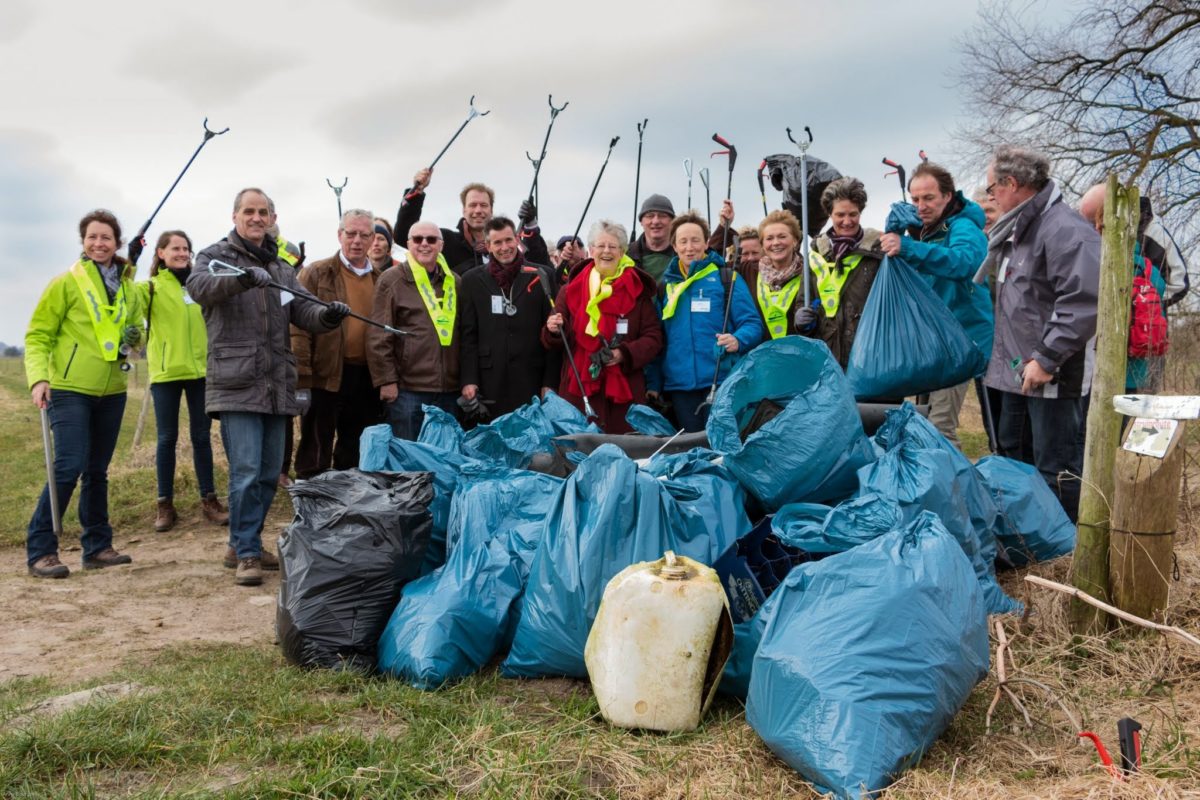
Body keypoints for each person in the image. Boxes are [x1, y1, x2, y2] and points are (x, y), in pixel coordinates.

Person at [189, 188, 349, 586]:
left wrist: (328, 315)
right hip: (236, 380)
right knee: (244, 471)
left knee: (266, 475)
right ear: (235, 215)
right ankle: (246, 551)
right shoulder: (214, 257)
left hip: (278, 383)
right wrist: (241, 281)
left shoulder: (280, 268)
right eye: (249, 211)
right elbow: (199, 288)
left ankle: (242, 542)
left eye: (263, 212)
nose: (257, 218)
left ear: (272, 218)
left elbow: (302, 307)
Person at [981, 145, 1099, 522]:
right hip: (1016, 371)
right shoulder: (1019, 230)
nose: (990, 197)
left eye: (991, 189)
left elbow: (1083, 299)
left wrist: (1047, 358)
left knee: (1056, 467)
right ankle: (1029, 539)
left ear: (1011, 184)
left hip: (1051, 374)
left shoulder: (1063, 228)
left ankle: (1061, 550)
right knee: (1016, 461)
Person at [24, 209, 144, 578]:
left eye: (106, 237)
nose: (98, 243)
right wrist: (38, 379)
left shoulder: (127, 286)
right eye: (92, 237)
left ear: (117, 243)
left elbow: (135, 326)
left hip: (111, 389)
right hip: (70, 389)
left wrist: (134, 337)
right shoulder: (64, 283)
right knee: (68, 466)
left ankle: (97, 547)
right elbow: (38, 335)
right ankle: (41, 550)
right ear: (83, 241)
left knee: (97, 471)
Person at [880, 163, 992, 448]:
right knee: (925, 423)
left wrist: (908, 247)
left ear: (948, 196)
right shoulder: (925, 232)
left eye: (929, 198)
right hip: (933, 343)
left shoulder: (964, 226)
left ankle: (950, 490)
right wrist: (895, 232)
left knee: (941, 429)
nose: (921, 206)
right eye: (915, 199)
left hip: (962, 341)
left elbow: (966, 261)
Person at [135, 230, 228, 532]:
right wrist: (130, 258)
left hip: (201, 371)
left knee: (202, 438)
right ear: (160, 253)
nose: (182, 253)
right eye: (175, 248)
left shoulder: (199, 284)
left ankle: (209, 500)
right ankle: (164, 504)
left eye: (186, 248)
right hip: (166, 374)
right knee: (166, 439)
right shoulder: (149, 287)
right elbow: (125, 295)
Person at [542, 220, 663, 433]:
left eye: (612, 246)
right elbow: (552, 337)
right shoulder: (570, 289)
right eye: (600, 246)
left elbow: (653, 338)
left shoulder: (638, 291)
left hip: (625, 394)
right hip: (579, 390)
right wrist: (553, 329)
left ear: (623, 251)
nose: (606, 252)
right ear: (590, 250)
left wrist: (624, 353)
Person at [647, 212, 764, 431]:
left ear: (706, 243)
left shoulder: (726, 278)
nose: (689, 247)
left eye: (695, 240)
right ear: (674, 246)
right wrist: (654, 383)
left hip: (722, 382)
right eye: (683, 241)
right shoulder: (665, 287)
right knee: (694, 453)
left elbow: (752, 323)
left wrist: (737, 339)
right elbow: (658, 340)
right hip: (681, 388)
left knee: (724, 447)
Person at [291, 209, 385, 478]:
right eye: (351, 233)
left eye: (364, 235)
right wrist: (303, 377)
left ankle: (347, 501)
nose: (357, 240)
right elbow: (298, 327)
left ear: (372, 239)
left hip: (365, 375)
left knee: (354, 445)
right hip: (325, 372)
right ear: (339, 235)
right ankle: (311, 499)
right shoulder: (317, 273)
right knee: (316, 445)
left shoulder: (380, 279)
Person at [368, 220, 462, 440]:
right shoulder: (391, 279)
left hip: (449, 389)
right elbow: (379, 335)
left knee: (444, 458)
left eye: (431, 239)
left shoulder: (455, 282)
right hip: (408, 390)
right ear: (408, 244)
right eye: (418, 239)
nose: (424, 244)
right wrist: (386, 380)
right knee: (409, 461)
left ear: (441, 245)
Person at [459, 217, 557, 419]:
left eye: (508, 240)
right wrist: (469, 379)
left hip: (532, 378)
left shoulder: (542, 275)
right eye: (497, 242)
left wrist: (550, 382)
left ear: (517, 240)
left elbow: (553, 334)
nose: (505, 247)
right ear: (488, 246)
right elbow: (468, 335)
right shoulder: (471, 280)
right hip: (489, 380)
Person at [1078, 184, 1167, 394]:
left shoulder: (1096, 266)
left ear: (1100, 225)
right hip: (1137, 371)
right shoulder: (1147, 268)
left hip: (1098, 372)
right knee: (1127, 425)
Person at [393, 168, 549, 274]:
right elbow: (403, 236)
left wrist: (530, 224)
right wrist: (416, 193)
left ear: (491, 210)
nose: (478, 210)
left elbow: (543, 268)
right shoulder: (446, 241)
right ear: (464, 210)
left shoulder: (506, 244)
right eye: (473, 205)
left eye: (484, 205)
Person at [804, 178, 885, 369]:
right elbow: (804, 299)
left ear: (861, 212)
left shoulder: (878, 251)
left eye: (853, 214)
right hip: (827, 359)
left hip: (870, 355)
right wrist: (803, 320)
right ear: (829, 214)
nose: (847, 221)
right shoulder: (817, 254)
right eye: (840, 214)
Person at [738, 210, 812, 340]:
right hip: (759, 357)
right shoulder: (749, 271)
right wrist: (723, 226)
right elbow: (713, 261)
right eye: (769, 238)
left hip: (799, 356)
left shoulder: (810, 271)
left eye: (782, 236)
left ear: (795, 240)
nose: (776, 243)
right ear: (762, 245)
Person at [627, 194, 677, 283]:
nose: (656, 221)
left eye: (662, 216)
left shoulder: (684, 255)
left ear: (672, 221)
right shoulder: (625, 255)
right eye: (650, 216)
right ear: (641, 222)